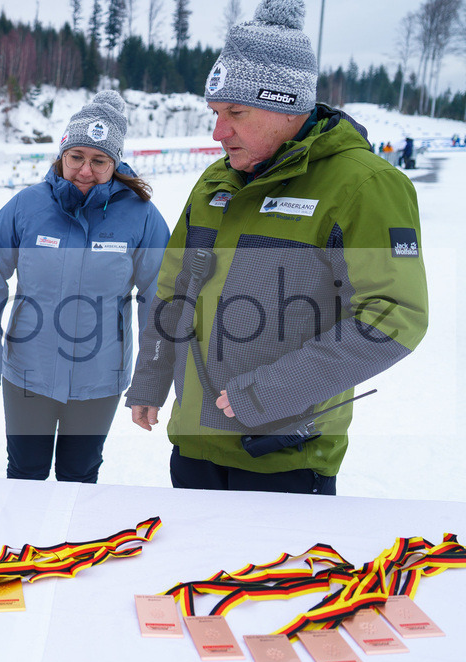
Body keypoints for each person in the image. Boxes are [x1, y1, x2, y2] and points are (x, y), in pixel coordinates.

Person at [125, 0, 428, 495]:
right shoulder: (214, 183)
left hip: (284, 457)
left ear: (284, 102)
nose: (219, 132)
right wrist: (151, 380)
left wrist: (267, 394)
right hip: (193, 448)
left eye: (235, 114)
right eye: (216, 113)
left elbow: (395, 316)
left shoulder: (365, 185)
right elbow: (172, 288)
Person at [0, 91, 170, 483]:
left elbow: (158, 300)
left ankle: (72, 545)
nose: (84, 170)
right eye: (76, 157)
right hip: (28, 372)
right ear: (62, 154)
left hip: (100, 377)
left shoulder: (142, 217)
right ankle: (24, 542)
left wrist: (151, 380)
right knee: (25, 471)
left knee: (80, 474)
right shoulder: (27, 206)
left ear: (116, 163)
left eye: (99, 161)